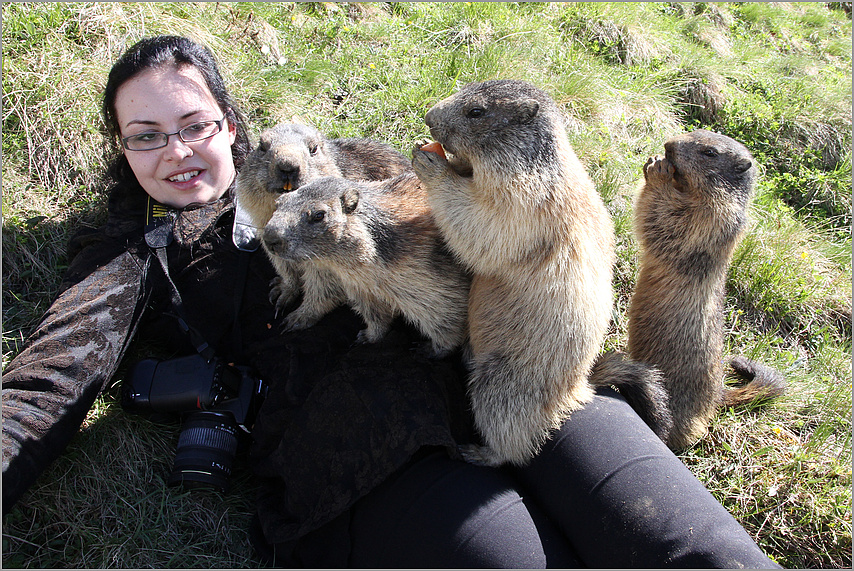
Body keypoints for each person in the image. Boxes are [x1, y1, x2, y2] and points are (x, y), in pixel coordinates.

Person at [2, 35, 780, 568]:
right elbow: (45, 385)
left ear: (229, 123)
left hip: (524, 369)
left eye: (193, 124)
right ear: (119, 146)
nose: (175, 151)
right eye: (145, 135)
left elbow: (461, 209)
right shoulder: (138, 258)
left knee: (702, 550)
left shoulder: (328, 158)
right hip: (372, 445)